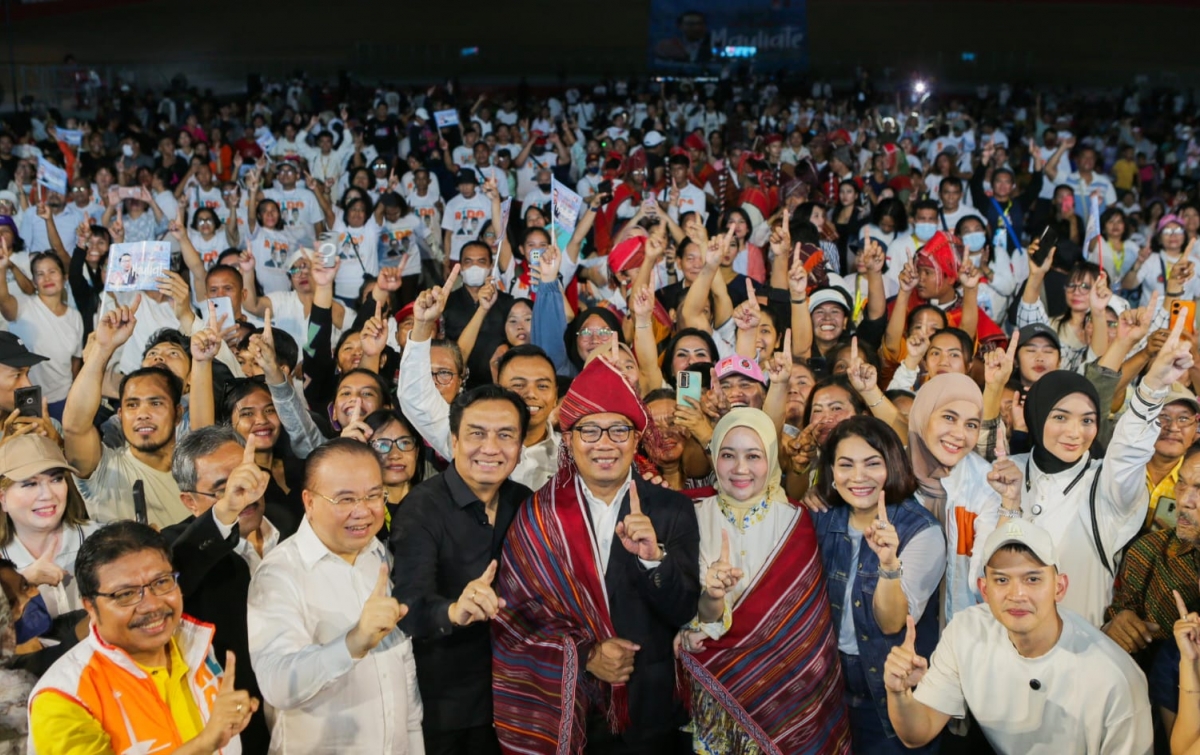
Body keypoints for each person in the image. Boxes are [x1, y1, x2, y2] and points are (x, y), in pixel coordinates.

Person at [493, 355, 701, 754]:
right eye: (589, 430)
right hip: (570, 709)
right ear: (568, 439)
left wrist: (653, 559)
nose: (605, 444)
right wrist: (586, 656)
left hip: (651, 711)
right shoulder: (540, 512)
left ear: (637, 438)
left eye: (618, 430)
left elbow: (684, 611)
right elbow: (518, 616)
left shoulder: (671, 508)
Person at [883, 520, 1153, 753]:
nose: (1017, 594)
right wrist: (898, 692)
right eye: (1002, 580)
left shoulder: (1115, 679)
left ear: (1059, 588)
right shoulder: (966, 631)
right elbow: (917, 733)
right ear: (984, 590)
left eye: (1032, 579)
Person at [678, 408, 852, 753]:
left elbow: (806, 634)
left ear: (771, 458)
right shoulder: (687, 514)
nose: (740, 469)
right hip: (714, 697)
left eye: (753, 456)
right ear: (714, 457)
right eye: (728, 455)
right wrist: (701, 613)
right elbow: (678, 607)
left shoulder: (795, 520)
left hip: (787, 695)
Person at [1009, 315, 1192, 627]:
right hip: (1007, 648)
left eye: (1087, 420)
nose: (1075, 433)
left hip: (1081, 650)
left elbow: (1127, 456)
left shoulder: (1103, 483)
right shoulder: (1008, 473)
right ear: (1037, 416)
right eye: (1061, 417)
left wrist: (1152, 388)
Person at [247, 438, 423, 754]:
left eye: (373, 495)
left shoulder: (379, 555)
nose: (363, 511)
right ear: (309, 501)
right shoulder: (279, 573)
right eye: (345, 499)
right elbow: (276, 684)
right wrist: (353, 643)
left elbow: (403, 669)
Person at [28, 521, 260, 755]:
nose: (152, 604)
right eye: (126, 594)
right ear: (90, 606)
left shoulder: (192, 642)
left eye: (161, 582)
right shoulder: (63, 697)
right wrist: (204, 743)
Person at [392, 385, 531, 755]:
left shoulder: (525, 502)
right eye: (476, 433)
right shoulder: (421, 508)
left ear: (520, 446)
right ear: (453, 441)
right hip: (447, 708)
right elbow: (408, 606)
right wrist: (454, 611)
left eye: (505, 435)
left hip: (520, 699)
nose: (490, 447)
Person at [811, 415, 946, 752]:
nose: (858, 477)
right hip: (829, 697)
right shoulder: (823, 516)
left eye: (873, 463)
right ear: (831, 471)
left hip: (893, 700)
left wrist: (888, 564)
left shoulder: (921, 531)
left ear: (893, 465)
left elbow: (890, 622)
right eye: (845, 465)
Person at [167, 425, 297, 755]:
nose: (244, 493)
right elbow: (178, 570)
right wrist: (225, 513)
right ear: (189, 500)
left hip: (307, 707)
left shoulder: (292, 524)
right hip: (239, 721)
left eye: (247, 476)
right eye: (223, 489)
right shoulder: (174, 549)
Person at [62, 296, 189, 526]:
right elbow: (74, 426)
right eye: (132, 404)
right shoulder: (103, 471)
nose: (143, 413)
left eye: (156, 403)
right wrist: (102, 349)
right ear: (119, 415)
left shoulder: (197, 472)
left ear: (178, 413)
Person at [0, 434, 98, 620]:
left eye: (56, 479)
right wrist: (22, 583)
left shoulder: (101, 540)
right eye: (30, 483)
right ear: (2, 498)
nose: (47, 495)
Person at [1141, 387, 1200, 532]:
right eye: (1163, 416)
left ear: (1196, 431)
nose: (1173, 427)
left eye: (1184, 419)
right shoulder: (1121, 468)